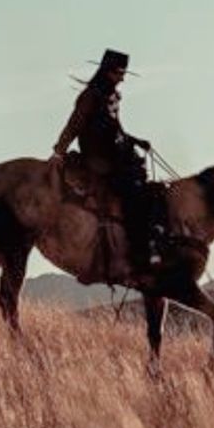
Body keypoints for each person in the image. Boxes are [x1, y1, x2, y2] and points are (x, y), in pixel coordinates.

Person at [53, 49, 164, 269]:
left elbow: (115, 129)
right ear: (107, 71)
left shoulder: (112, 95)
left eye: (123, 73)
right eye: (119, 72)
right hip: (97, 157)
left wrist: (135, 140)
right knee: (131, 191)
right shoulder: (90, 96)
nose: (122, 77)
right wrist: (60, 150)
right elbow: (75, 123)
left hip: (114, 153)